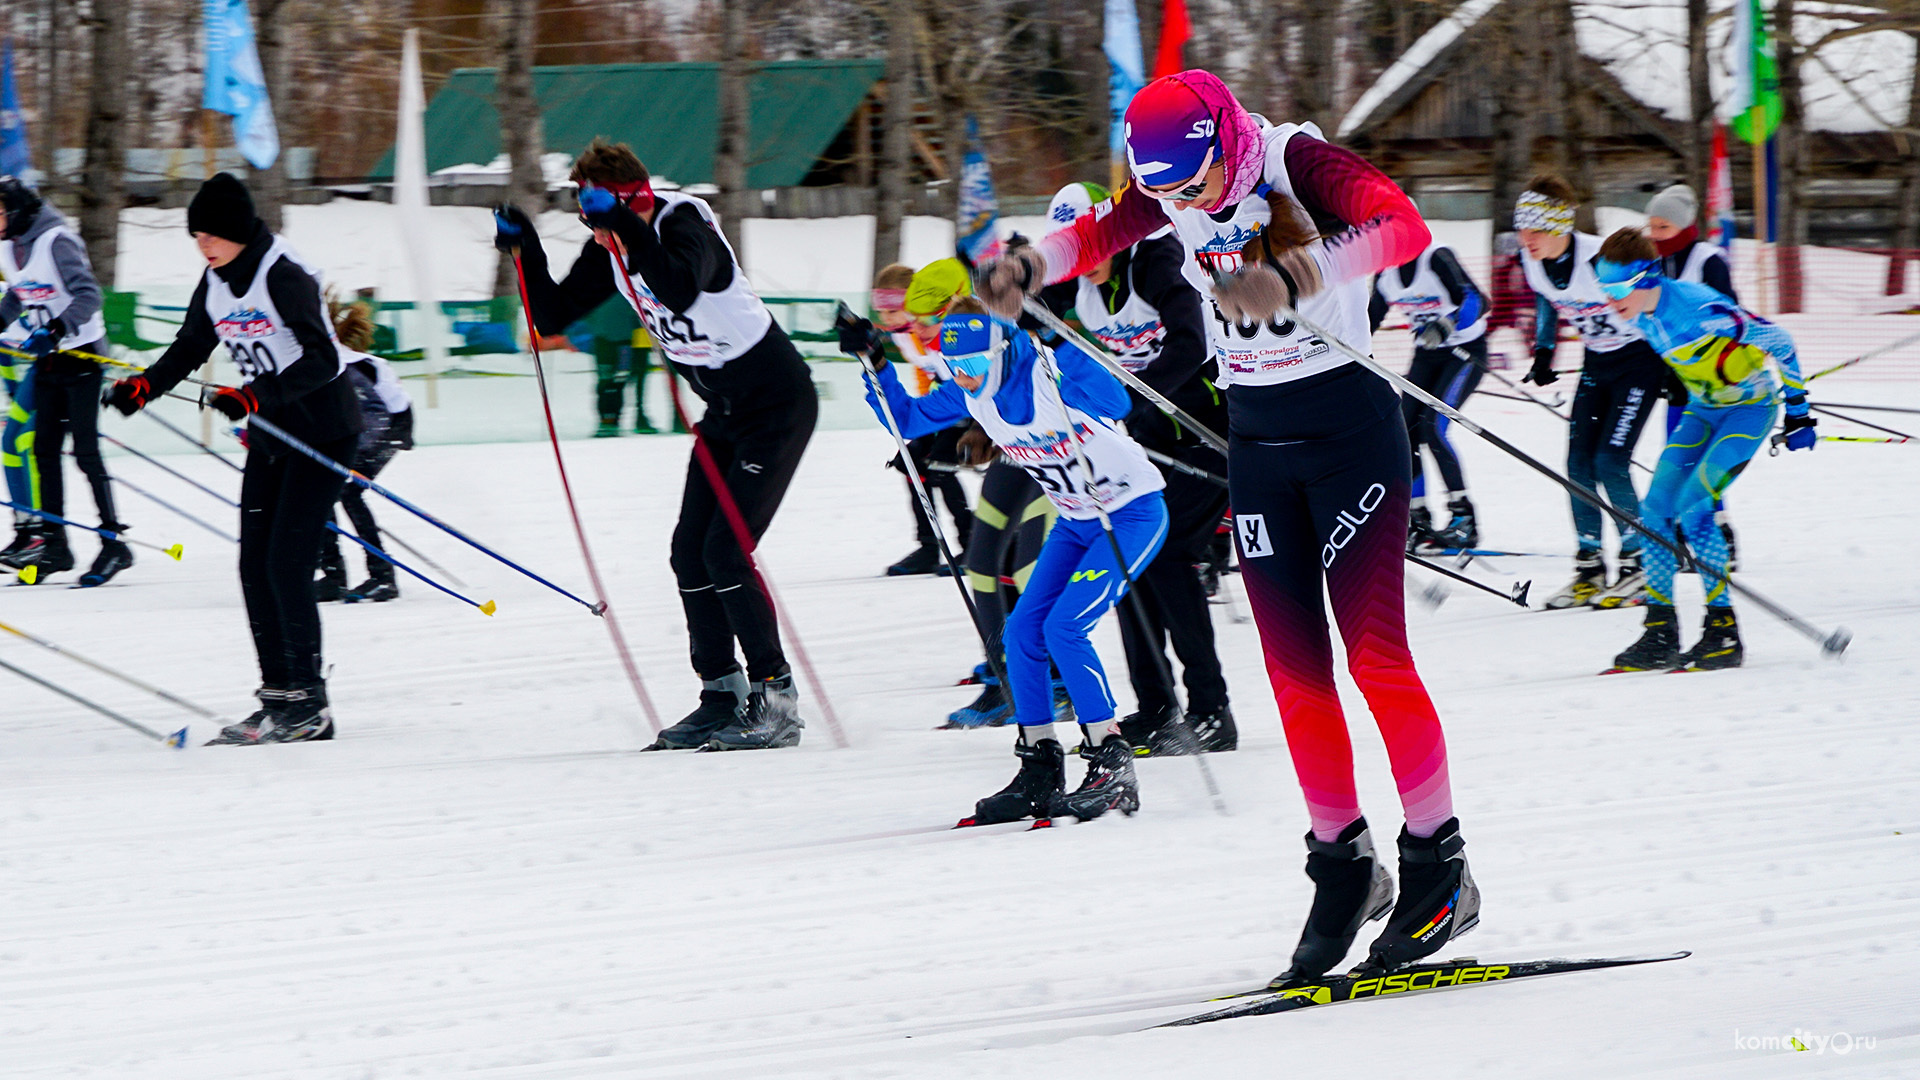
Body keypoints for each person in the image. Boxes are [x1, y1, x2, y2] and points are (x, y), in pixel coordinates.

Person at [976, 70, 1478, 981]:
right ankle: (1341, 866)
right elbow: (1099, 229)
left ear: (1224, 145)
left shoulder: (1293, 158)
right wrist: (1029, 266)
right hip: (1258, 439)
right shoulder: (1169, 183)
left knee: (1373, 659)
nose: (1178, 204)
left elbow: (1404, 223)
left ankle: (1439, 865)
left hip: (1348, 433)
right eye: (1161, 189)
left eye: (1190, 187)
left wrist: (1294, 273)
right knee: (1294, 675)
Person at [497, 138, 817, 751]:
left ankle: (777, 699)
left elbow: (680, 291)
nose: (594, 236)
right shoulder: (616, 246)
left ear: (629, 203)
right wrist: (526, 246)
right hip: (724, 414)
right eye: (587, 222)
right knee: (688, 554)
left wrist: (622, 227)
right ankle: (722, 694)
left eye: (598, 219)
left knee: (726, 551)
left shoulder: (683, 219)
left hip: (776, 407)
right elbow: (551, 314)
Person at [866, 298, 1164, 825]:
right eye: (956, 367)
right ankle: (1039, 767)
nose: (967, 377)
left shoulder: (1048, 376)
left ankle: (1110, 758)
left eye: (975, 366)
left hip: (1130, 514)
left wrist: (1064, 352)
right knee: (1022, 631)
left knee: (1065, 627)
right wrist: (877, 363)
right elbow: (905, 418)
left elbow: (1115, 400)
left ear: (1003, 353)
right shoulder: (971, 393)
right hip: (1077, 521)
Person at [104, 172, 362, 743]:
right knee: (253, 565)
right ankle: (277, 697)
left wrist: (253, 395)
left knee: (287, 564)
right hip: (273, 430)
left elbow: (324, 360)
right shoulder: (216, 278)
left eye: (212, 234)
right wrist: (145, 387)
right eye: (196, 235)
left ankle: (310, 705)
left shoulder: (283, 275)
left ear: (240, 231)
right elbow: (194, 343)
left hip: (322, 429)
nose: (203, 244)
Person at [1037, 179, 1236, 757]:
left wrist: (1130, 400)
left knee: (1168, 555)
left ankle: (1211, 711)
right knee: (1128, 557)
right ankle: (1155, 706)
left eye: (1093, 248)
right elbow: (1027, 330)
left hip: (1209, 431)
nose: (1085, 264)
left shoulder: (1157, 259)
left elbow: (1190, 342)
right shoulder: (1075, 284)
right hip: (1146, 441)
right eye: (1074, 252)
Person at [1593, 229, 1812, 671]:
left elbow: (1779, 340)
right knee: (1654, 514)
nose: (1610, 299)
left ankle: (1722, 632)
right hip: (1703, 410)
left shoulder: (1700, 307)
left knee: (1694, 509)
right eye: (1604, 288)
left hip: (1748, 412)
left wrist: (1799, 411)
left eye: (1617, 288)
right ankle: (1660, 631)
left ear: (1647, 278)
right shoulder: (1639, 314)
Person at [1515, 175, 1669, 609]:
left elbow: (1653, 294)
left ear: (1561, 226)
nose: (1527, 239)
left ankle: (1641, 562)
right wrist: (1545, 351)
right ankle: (1591, 567)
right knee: (1577, 466)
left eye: (1537, 229)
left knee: (1610, 460)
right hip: (1597, 364)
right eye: (1523, 229)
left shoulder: (1599, 257)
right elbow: (1547, 298)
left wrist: (1672, 363)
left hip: (1639, 361)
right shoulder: (1534, 259)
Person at [0, 175, 129, 585]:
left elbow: (89, 295)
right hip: (50, 362)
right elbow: (21, 294)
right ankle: (56, 544)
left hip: (83, 358)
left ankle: (114, 544)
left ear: (16, 211)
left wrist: (55, 329)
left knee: (86, 453)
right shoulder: (10, 246)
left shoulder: (56, 240)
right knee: (42, 450)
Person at [1369, 240, 1489, 553]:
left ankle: (1464, 519)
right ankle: (1419, 520)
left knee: (1433, 427)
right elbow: (1369, 319)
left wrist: (1448, 323)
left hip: (1464, 353)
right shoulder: (1386, 274)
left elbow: (1479, 301)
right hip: (1427, 355)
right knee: (1404, 432)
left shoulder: (1435, 258)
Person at [1645, 183, 1739, 571]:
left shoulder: (1707, 259)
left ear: (1684, 228)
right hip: (1677, 377)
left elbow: (1730, 317)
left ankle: (1720, 533)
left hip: (1711, 378)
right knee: (1677, 457)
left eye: (1663, 227)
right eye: (1651, 226)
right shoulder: (1655, 262)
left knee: (1703, 460)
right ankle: (1689, 531)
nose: (1654, 235)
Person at [872, 260, 974, 577]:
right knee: (913, 464)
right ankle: (929, 546)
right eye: (881, 312)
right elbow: (925, 370)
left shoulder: (930, 327)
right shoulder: (905, 334)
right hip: (943, 398)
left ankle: (973, 545)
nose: (885, 319)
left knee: (940, 467)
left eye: (892, 311)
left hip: (967, 400)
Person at [315, 297, 413, 604]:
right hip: (346, 439)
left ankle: (383, 577)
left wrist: (393, 440)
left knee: (347, 492)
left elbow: (399, 410)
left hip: (386, 434)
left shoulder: (366, 366)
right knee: (318, 493)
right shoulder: (312, 366)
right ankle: (333, 576)